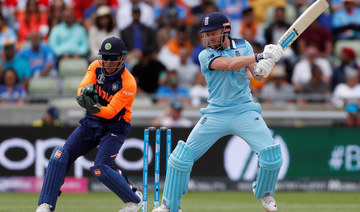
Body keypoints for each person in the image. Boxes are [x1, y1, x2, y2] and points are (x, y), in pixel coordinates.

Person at [152, 12, 284, 212]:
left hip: (244, 110)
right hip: (215, 113)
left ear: (226, 30)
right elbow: (229, 65)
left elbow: (256, 74)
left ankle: (265, 193)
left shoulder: (244, 46)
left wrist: (263, 67)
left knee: (272, 155)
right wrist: (261, 55)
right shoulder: (205, 55)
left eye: (213, 33)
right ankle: (169, 205)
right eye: (206, 34)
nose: (209, 38)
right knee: (180, 158)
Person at [35, 37, 142, 212]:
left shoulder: (128, 82)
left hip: (115, 127)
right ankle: (45, 204)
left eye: (112, 58)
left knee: (101, 167)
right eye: (104, 57)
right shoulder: (95, 66)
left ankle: (133, 200)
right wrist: (83, 97)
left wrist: (91, 104)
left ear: (122, 59)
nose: (107, 62)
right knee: (59, 156)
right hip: (91, 123)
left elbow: (111, 112)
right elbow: (82, 88)